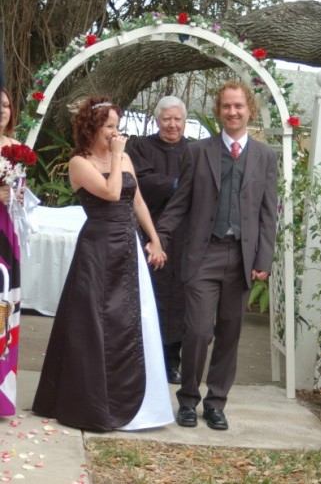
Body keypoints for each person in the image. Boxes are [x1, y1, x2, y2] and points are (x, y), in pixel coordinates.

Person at [32, 96, 174, 432]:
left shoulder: (123, 156)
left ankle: (138, 400)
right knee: (93, 323)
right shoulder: (79, 163)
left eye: (117, 126)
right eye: (110, 126)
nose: (116, 133)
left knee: (134, 320)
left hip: (128, 247)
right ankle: (92, 400)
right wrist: (114, 156)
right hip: (97, 250)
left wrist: (154, 238)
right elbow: (111, 194)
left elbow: (135, 198)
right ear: (92, 127)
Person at [151, 80, 278, 430]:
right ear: (218, 111)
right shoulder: (198, 152)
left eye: (238, 106)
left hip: (241, 259)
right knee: (197, 331)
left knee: (230, 333)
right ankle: (189, 399)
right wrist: (159, 236)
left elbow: (269, 214)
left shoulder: (266, 157)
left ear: (248, 109)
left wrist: (263, 261)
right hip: (203, 255)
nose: (233, 112)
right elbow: (180, 204)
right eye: (226, 107)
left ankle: (217, 402)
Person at [126, 96, 189, 385]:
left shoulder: (196, 151)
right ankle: (142, 359)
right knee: (149, 295)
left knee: (180, 301)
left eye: (177, 119)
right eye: (167, 119)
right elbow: (142, 183)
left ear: (184, 121)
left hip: (185, 236)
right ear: (157, 120)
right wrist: (180, 185)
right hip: (147, 232)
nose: (172, 125)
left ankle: (172, 363)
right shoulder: (140, 147)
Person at [0, 88, 24, 416]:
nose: (2, 110)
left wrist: (17, 196)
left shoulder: (16, 149)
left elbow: (23, 195)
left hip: (7, 233)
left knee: (4, 309)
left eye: (6, 105)